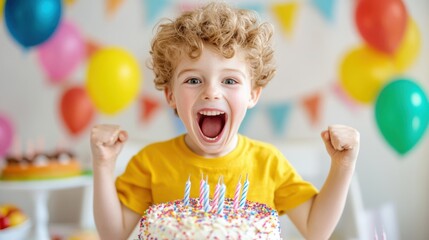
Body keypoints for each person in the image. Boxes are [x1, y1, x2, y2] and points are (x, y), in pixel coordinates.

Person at [90, 2, 360, 240]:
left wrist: (342, 166)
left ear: (253, 94)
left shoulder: (268, 164)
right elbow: (112, 234)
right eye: (193, 80)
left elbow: (316, 230)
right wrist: (103, 164)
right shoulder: (150, 163)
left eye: (229, 80)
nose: (211, 92)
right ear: (170, 95)